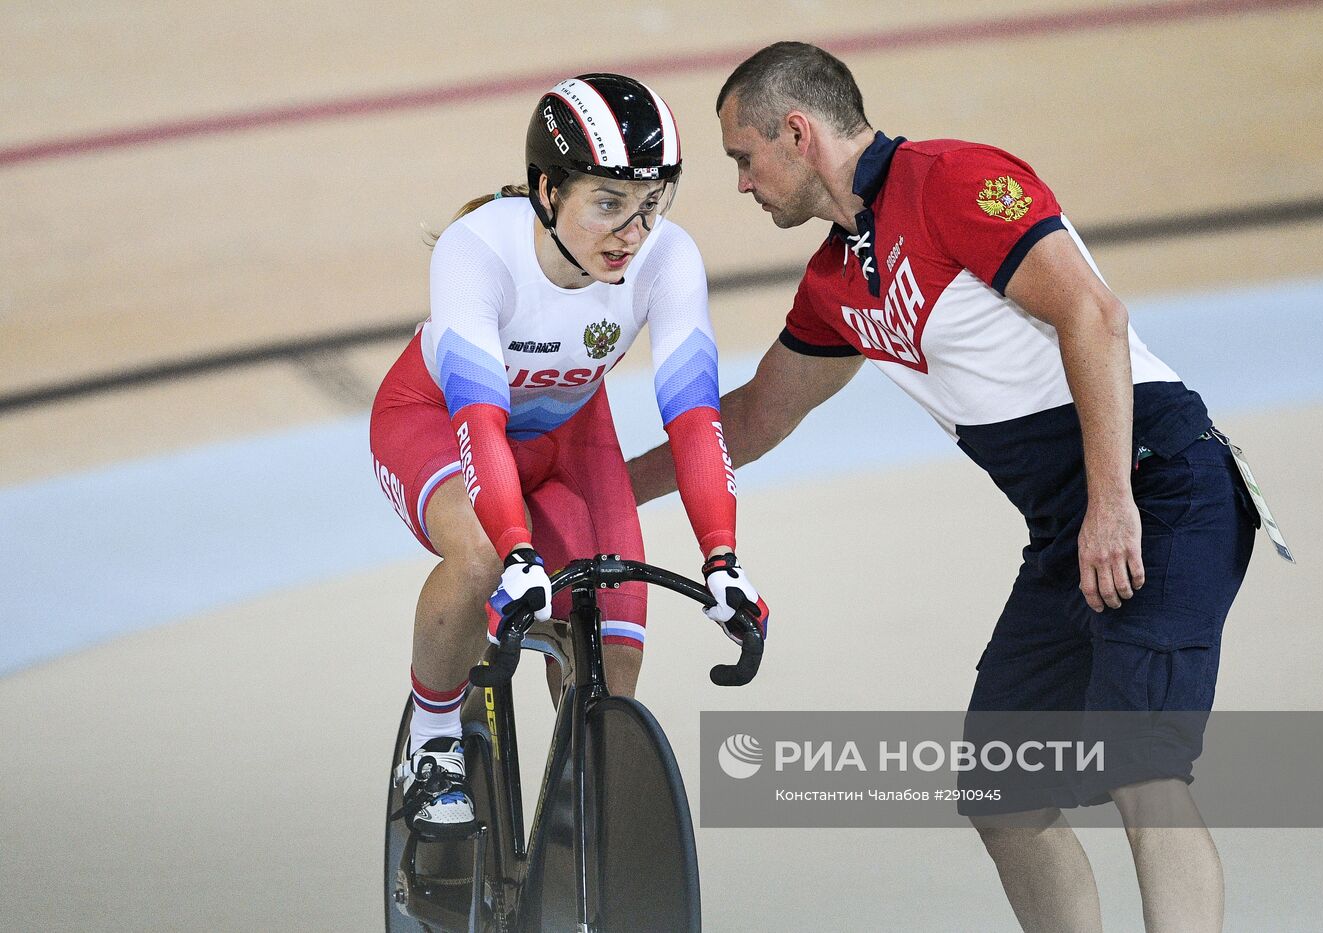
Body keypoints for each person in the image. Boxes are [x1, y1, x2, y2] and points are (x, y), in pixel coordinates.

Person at [626, 44, 1256, 932]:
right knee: (1003, 789)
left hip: (1158, 487)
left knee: (1142, 764)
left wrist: (1113, 502)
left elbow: (1094, 313)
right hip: (1067, 524)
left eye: (742, 156)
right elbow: (754, 420)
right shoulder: (836, 281)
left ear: (797, 132)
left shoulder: (951, 179)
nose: (740, 182)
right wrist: (606, 490)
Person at [370, 73, 768, 840]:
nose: (633, 232)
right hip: (437, 422)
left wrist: (723, 556)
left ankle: (563, 835)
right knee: (484, 555)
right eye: (609, 202)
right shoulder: (477, 248)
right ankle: (432, 741)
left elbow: (693, 418)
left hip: (569, 441)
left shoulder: (669, 260)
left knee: (612, 662)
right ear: (548, 193)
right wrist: (518, 549)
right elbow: (479, 417)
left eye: (653, 203)